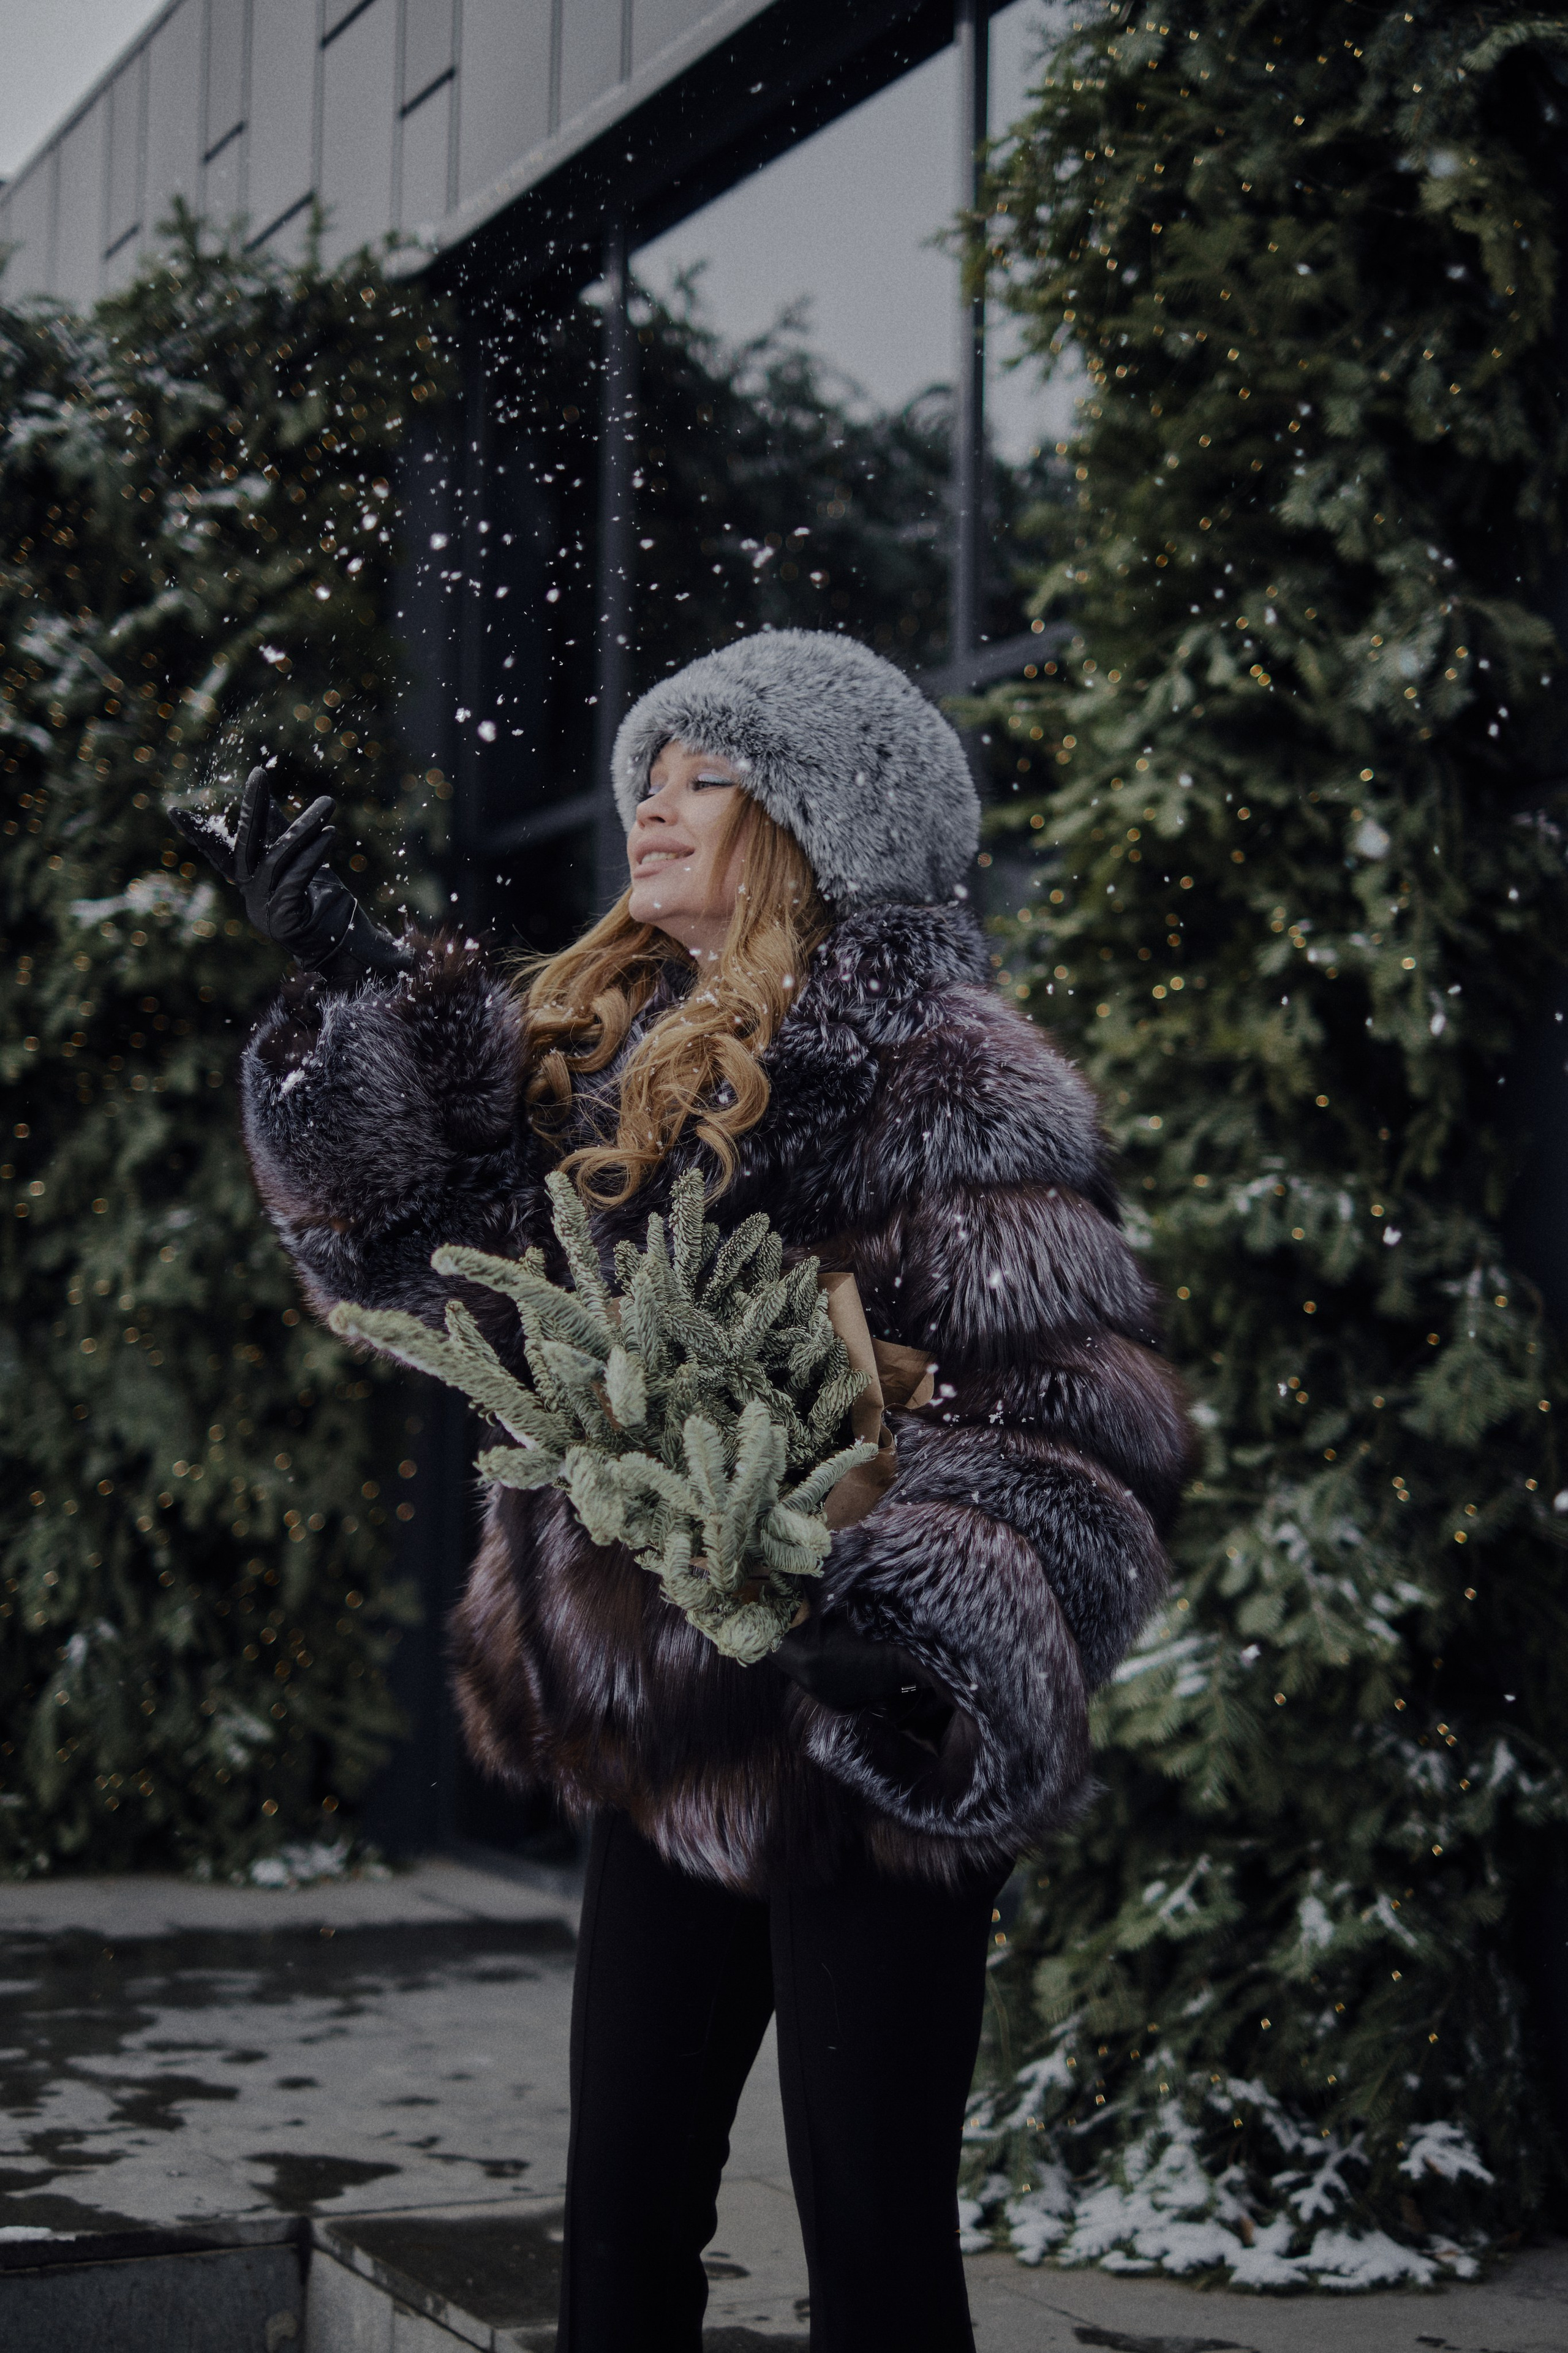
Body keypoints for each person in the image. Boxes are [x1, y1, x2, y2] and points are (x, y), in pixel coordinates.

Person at [180, 629, 1189, 2352]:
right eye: (644, 774)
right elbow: (423, 1263)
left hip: (869, 1738)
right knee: (626, 2213)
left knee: (874, 2240)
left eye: (703, 776)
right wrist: (359, 986)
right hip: (665, 1725)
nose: (650, 806)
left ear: (814, 822)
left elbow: (1073, 1413)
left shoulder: (948, 1071)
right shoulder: (617, 1051)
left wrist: (917, 1626)